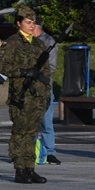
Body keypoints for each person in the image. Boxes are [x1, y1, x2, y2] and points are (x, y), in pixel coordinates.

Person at [0, 6, 51, 183]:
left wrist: (46, 91)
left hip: (38, 95)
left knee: (32, 132)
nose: (32, 25)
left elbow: (46, 71)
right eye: (28, 22)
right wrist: (22, 72)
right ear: (19, 23)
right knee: (20, 132)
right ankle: (20, 169)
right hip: (22, 95)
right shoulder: (12, 43)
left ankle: (30, 167)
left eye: (33, 22)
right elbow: (0, 66)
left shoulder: (39, 44)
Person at [33, 17, 61, 165]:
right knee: (28, 120)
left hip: (44, 86)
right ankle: (27, 151)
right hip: (29, 88)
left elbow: (51, 66)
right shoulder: (27, 40)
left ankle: (50, 151)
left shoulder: (49, 42)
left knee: (46, 121)